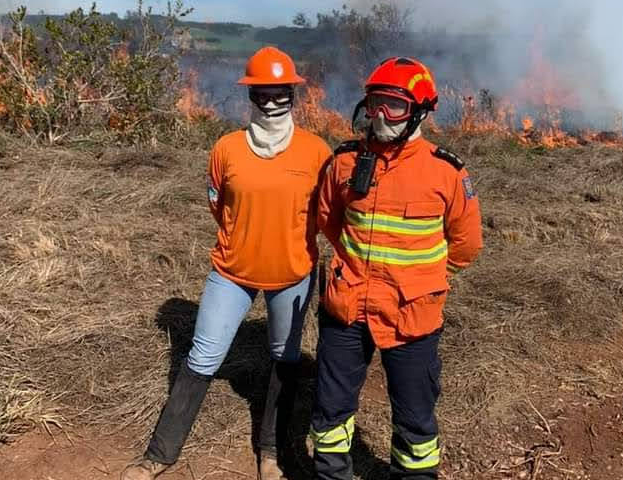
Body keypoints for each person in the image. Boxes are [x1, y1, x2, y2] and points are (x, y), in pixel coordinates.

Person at [122, 46, 332, 480]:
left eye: (280, 93)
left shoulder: (316, 152)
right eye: (262, 94)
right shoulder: (227, 149)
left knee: (285, 357)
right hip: (232, 273)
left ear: (293, 94)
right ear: (250, 95)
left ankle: (271, 453)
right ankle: (159, 455)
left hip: (292, 274)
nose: (271, 103)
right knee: (203, 356)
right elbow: (219, 207)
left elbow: (326, 214)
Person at [310, 56, 484, 480]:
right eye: (375, 103)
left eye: (395, 105)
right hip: (347, 308)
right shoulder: (344, 162)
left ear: (420, 111)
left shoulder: (445, 171)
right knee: (330, 413)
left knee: (415, 419)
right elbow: (328, 220)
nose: (381, 115)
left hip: (412, 316)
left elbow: (467, 243)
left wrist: (429, 281)